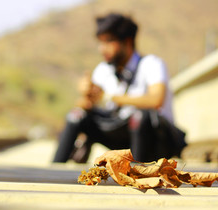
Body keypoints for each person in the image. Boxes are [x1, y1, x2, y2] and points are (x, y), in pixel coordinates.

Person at [53, 13, 186, 163]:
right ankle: (53, 170)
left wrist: (109, 97)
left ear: (127, 42)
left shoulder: (152, 64)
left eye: (108, 42)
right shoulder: (104, 70)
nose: (102, 49)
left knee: (140, 116)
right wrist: (86, 94)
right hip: (124, 139)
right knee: (76, 115)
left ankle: (137, 174)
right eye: (100, 43)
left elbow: (156, 100)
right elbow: (85, 107)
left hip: (155, 140)